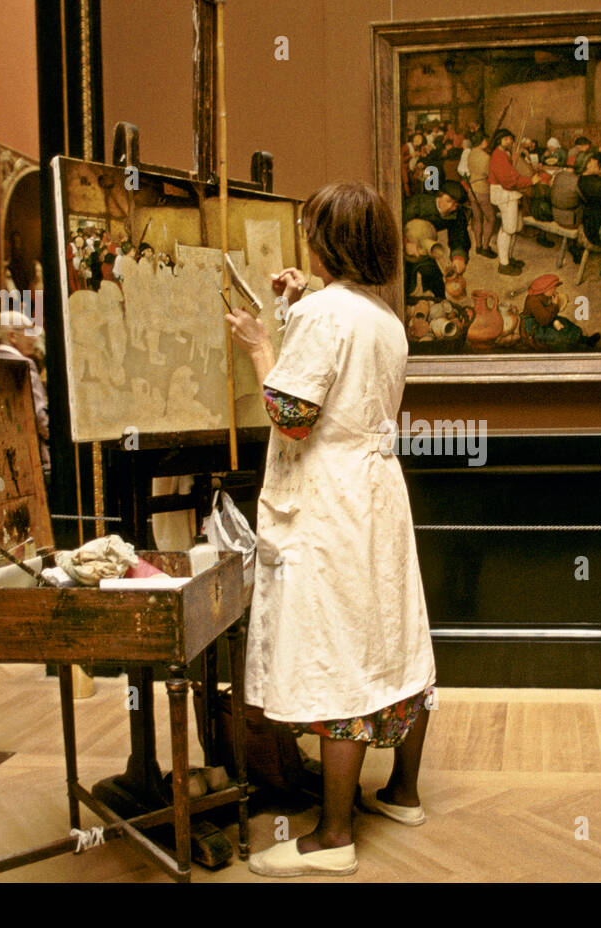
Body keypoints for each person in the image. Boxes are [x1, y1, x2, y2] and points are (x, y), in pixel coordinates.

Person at [226, 181, 437, 878]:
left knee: (338, 651)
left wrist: (261, 342)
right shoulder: (385, 317)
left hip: (330, 497)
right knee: (394, 637)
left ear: (327, 241)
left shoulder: (323, 313)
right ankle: (403, 792)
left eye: (311, 230)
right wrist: (296, 310)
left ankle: (332, 836)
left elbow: (291, 413)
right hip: (377, 489)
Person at [0, 310, 51, 477]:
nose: (34, 338)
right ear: (13, 336)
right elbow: (38, 416)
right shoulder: (25, 365)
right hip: (30, 456)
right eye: (29, 331)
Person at [402, 182, 471, 302]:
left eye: (456, 204)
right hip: (404, 245)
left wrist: (459, 256)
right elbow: (394, 224)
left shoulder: (456, 213)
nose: (452, 207)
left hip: (426, 246)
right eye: (449, 201)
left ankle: (441, 303)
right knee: (404, 281)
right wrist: (405, 243)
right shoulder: (417, 204)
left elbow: (459, 236)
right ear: (439, 195)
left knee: (434, 276)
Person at [488, 128, 540, 276]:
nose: (510, 141)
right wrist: (530, 181)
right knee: (508, 229)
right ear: (500, 141)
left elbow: (513, 171)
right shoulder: (498, 156)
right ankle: (503, 264)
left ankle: (508, 258)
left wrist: (518, 157)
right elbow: (509, 180)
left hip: (510, 193)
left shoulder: (505, 154)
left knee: (515, 227)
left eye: (510, 138)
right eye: (507, 139)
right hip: (505, 193)